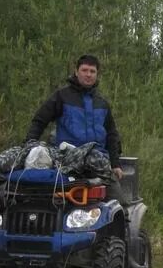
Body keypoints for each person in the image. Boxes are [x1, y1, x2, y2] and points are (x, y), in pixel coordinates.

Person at [26, 54, 126, 201]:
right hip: (68, 161)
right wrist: (29, 145)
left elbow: (111, 135)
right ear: (76, 71)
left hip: (98, 164)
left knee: (119, 205)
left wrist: (115, 164)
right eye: (85, 70)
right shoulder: (62, 96)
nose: (88, 75)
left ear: (97, 75)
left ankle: (124, 222)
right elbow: (40, 121)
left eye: (92, 71)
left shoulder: (102, 103)